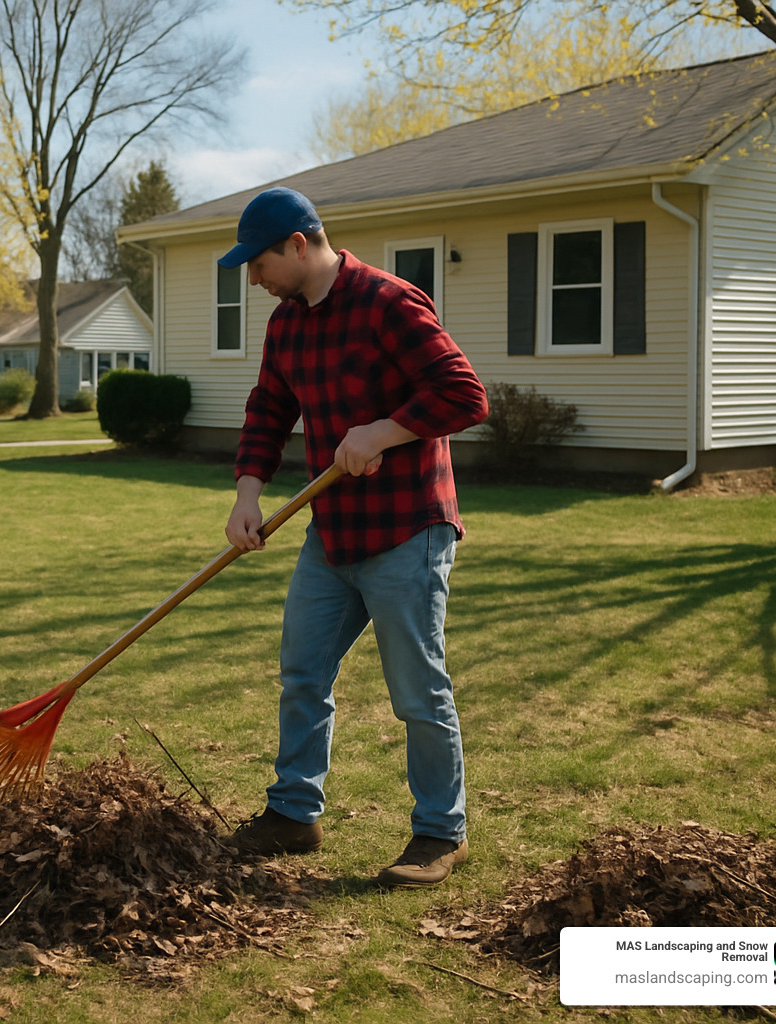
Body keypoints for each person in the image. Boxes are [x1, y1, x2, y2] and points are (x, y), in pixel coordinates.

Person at [220, 187, 488, 887]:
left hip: (407, 528)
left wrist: (384, 431)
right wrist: (248, 493)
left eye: (259, 263)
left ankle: (440, 833)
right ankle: (293, 814)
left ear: (298, 244)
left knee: (416, 690)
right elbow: (268, 410)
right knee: (303, 672)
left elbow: (465, 394)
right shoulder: (287, 323)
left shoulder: (389, 302)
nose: (254, 278)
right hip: (332, 533)